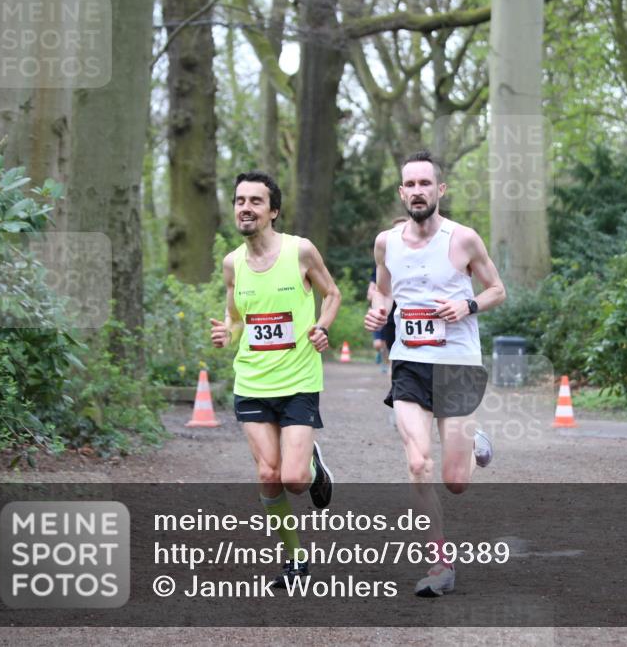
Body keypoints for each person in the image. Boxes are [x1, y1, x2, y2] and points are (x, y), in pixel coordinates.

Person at [364, 150, 506, 597]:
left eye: (425, 183)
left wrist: (468, 304)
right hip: (409, 363)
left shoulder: (463, 239)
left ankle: (474, 441)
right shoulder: (386, 243)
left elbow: (497, 290)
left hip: (457, 364)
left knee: (455, 481)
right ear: (401, 192)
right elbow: (383, 291)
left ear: (439, 190)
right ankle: (439, 564)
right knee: (417, 463)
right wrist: (378, 311)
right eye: (410, 184)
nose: (417, 191)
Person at [210, 170, 341, 588]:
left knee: (294, 480)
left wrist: (321, 326)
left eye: (256, 201)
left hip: (299, 380)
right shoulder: (232, 264)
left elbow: (332, 294)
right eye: (240, 201)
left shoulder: (300, 251)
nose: (245, 208)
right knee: (269, 474)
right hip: (252, 383)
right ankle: (295, 559)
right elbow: (235, 320)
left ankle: (315, 468)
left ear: (273, 211)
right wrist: (227, 332)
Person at [367, 217, 408, 374]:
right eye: (396, 230)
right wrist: (377, 301)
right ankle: (388, 363)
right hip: (390, 311)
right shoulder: (384, 258)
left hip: (413, 314)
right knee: (383, 344)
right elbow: (375, 290)